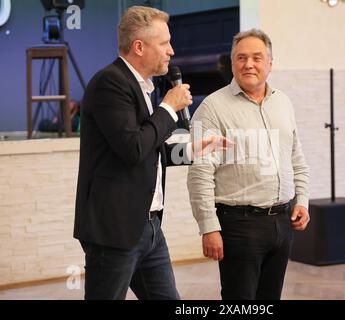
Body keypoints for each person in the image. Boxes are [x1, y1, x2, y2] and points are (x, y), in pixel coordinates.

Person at [73, 6, 230, 300]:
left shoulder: (142, 87)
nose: (171, 51)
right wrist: (169, 107)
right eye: (164, 43)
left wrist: (192, 150)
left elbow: (148, 150)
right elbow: (132, 149)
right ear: (139, 47)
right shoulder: (110, 83)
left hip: (150, 227)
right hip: (115, 231)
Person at [187, 29, 310, 300]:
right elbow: (200, 173)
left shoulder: (283, 102)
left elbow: (296, 157)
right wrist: (209, 226)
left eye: (257, 57)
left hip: (283, 221)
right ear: (232, 64)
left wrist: (302, 200)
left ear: (270, 64)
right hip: (238, 226)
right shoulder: (212, 107)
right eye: (241, 58)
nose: (248, 64)